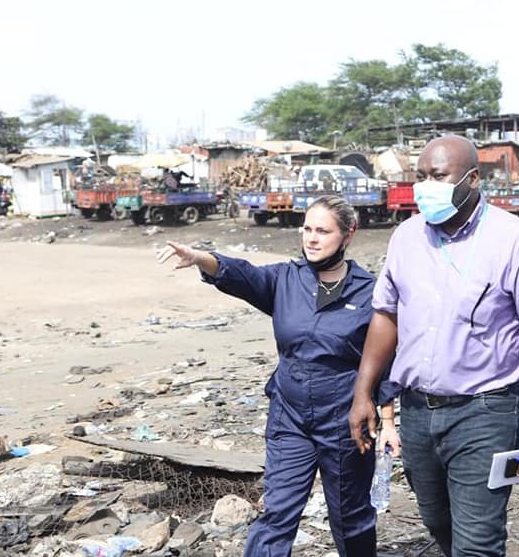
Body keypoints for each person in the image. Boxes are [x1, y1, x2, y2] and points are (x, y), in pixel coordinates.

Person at [348, 135, 519, 556]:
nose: (425, 186)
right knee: (438, 525)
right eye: (421, 176)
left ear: (472, 179)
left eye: (438, 176)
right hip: (415, 413)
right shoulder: (406, 237)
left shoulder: (517, 240)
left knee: (478, 543)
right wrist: (363, 394)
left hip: (485, 413)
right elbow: (385, 316)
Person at [157, 195, 398, 557]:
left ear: (348, 235)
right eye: (307, 229)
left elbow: (383, 359)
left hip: (346, 420)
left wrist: (389, 419)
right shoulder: (285, 279)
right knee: (277, 514)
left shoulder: (370, 291)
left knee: (352, 518)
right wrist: (200, 258)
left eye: (323, 231)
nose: (312, 239)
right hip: (291, 418)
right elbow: (242, 274)